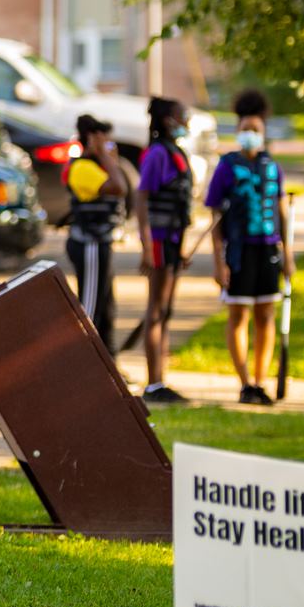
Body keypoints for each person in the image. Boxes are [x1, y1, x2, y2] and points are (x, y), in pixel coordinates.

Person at [205, 89, 289, 404]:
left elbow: (282, 215)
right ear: (238, 131)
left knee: (265, 315)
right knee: (238, 314)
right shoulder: (227, 167)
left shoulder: (272, 168)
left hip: (267, 249)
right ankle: (244, 384)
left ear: (264, 132)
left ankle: (260, 380)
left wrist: (288, 256)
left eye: (256, 130)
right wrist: (218, 262)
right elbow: (214, 218)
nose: (251, 135)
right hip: (238, 252)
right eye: (245, 130)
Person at [134, 96, 194, 404]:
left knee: (166, 310)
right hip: (157, 241)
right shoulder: (156, 154)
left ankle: (161, 379)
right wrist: (146, 245)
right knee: (156, 309)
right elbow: (141, 198)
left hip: (173, 240)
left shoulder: (176, 153)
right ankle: (153, 383)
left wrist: (182, 247)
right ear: (169, 119)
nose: (186, 122)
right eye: (183, 116)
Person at [63, 114, 128, 347]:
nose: (110, 149)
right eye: (106, 143)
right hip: (88, 243)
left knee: (107, 307)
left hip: (101, 243)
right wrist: (103, 153)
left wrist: (108, 157)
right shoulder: (82, 168)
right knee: (89, 310)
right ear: (92, 140)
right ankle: (83, 365)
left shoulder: (97, 167)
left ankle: (110, 363)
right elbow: (119, 187)